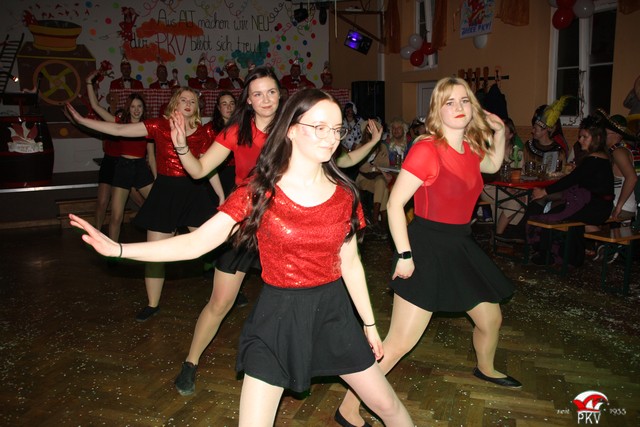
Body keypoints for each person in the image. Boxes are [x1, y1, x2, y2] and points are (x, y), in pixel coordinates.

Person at [69, 88, 414, 427]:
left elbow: (349, 262)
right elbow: (197, 242)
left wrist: (369, 325)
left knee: (389, 406)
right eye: (319, 127)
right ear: (292, 130)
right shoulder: (259, 191)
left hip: (333, 314)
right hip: (277, 317)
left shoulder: (344, 195)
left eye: (336, 129)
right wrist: (119, 249)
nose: (331, 138)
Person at [337, 76, 519, 427]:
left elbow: (493, 166)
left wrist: (500, 133)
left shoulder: (472, 147)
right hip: (426, 246)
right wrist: (405, 255)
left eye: (464, 101)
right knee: (398, 343)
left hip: (460, 245)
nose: (458, 107)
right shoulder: (427, 149)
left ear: (473, 108)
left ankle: (486, 367)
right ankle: (348, 406)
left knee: (491, 319)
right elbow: (395, 205)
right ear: (437, 110)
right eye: (449, 102)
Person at [65, 87, 224, 322]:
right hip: (165, 193)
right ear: (174, 103)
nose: (188, 104)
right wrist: (82, 121)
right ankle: (152, 304)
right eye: (183, 99)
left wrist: (220, 195)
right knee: (154, 255)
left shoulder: (202, 133)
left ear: (197, 108)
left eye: (192, 101)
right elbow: (119, 129)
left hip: (194, 193)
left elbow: (207, 166)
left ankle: (228, 292)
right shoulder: (159, 125)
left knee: (216, 247)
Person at [526, 115, 614, 266]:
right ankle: (569, 253)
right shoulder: (601, 157)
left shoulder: (594, 159)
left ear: (597, 138)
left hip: (595, 208)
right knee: (557, 208)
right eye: (580, 136)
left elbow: (571, 179)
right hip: (599, 206)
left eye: (584, 137)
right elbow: (580, 179)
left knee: (552, 216)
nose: (580, 140)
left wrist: (545, 191)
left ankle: (550, 254)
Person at [85, 70, 155, 242]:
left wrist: (157, 178)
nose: (136, 110)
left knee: (159, 206)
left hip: (141, 168)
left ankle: (162, 244)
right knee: (116, 216)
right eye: (133, 107)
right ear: (128, 108)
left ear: (143, 108)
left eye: (139, 106)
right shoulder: (121, 124)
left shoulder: (148, 127)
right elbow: (96, 107)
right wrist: (88, 83)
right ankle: (112, 251)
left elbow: (152, 157)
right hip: (123, 168)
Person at [481, 118, 526, 239]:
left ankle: (502, 232)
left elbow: (521, 175)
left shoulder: (517, 153)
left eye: (503, 131)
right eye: (497, 131)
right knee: (516, 202)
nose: (498, 134)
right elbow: (486, 175)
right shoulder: (489, 152)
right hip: (491, 188)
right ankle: (499, 234)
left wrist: (516, 190)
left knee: (523, 199)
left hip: (511, 188)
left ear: (511, 135)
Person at [596, 109, 638, 222]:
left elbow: (632, 178)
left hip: (622, 207)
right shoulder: (621, 149)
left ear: (616, 134)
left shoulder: (618, 152)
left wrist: (619, 207)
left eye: (605, 131)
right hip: (619, 205)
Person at [354, 120, 390, 234]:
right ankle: (382, 222)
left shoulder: (382, 147)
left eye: (373, 129)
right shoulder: (360, 147)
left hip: (377, 179)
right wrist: (376, 168)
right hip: (363, 179)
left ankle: (375, 219)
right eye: (368, 128)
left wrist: (374, 167)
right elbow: (362, 168)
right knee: (383, 187)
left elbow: (385, 165)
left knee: (381, 183)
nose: (370, 131)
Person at [523, 98, 571, 175]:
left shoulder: (558, 151)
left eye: (535, 128)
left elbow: (562, 173)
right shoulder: (528, 147)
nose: (532, 131)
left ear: (545, 130)